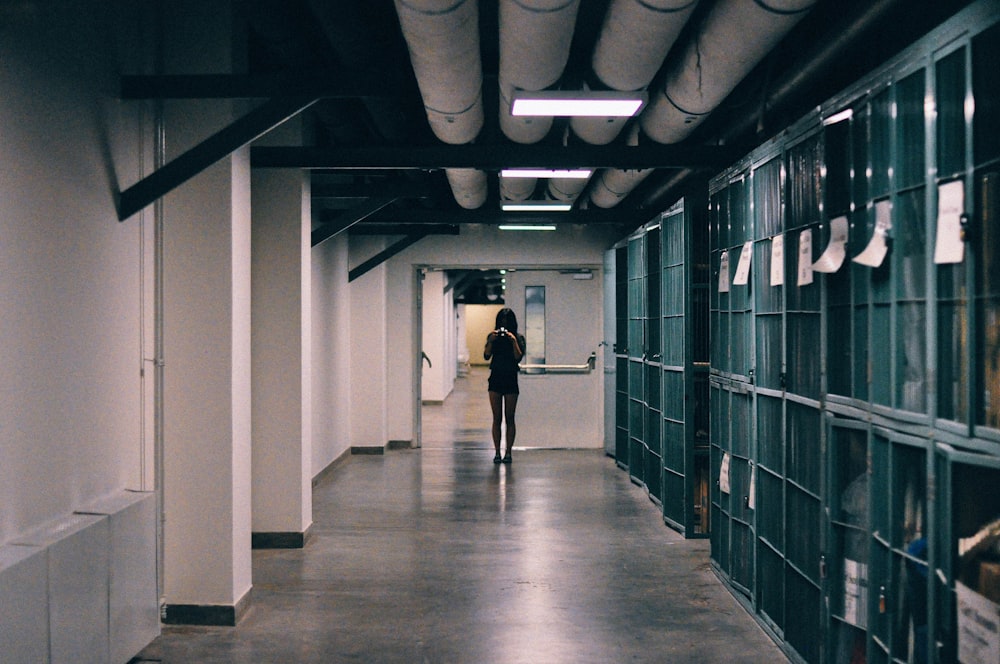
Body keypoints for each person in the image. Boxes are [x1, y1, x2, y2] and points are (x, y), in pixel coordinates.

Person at [483, 307, 525, 464]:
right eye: (502, 322)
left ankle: (508, 452)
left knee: (510, 417)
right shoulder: (493, 337)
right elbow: (486, 355)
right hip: (495, 379)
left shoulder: (519, 338)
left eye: (507, 322)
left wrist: (513, 340)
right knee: (496, 418)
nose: (504, 326)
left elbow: (518, 357)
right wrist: (491, 341)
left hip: (510, 379)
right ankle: (497, 452)